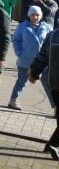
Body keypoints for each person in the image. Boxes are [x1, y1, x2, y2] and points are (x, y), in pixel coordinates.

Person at [8, 6, 54, 111]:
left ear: (41, 16)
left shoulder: (47, 27)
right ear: (29, 15)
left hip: (42, 61)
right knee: (22, 81)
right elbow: (16, 40)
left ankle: (55, 105)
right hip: (26, 59)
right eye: (33, 15)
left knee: (48, 83)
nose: (35, 17)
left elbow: (51, 42)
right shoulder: (22, 26)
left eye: (37, 15)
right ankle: (13, 100)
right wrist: (20, 53)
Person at [28, 26, 59, 161]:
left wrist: (34, 72)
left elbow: (42, 56)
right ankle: (53, 144)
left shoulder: (53, 35)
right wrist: (34, 72)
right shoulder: (52, 35)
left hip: (54, 83)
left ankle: (52, 145)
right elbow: (43, 56)